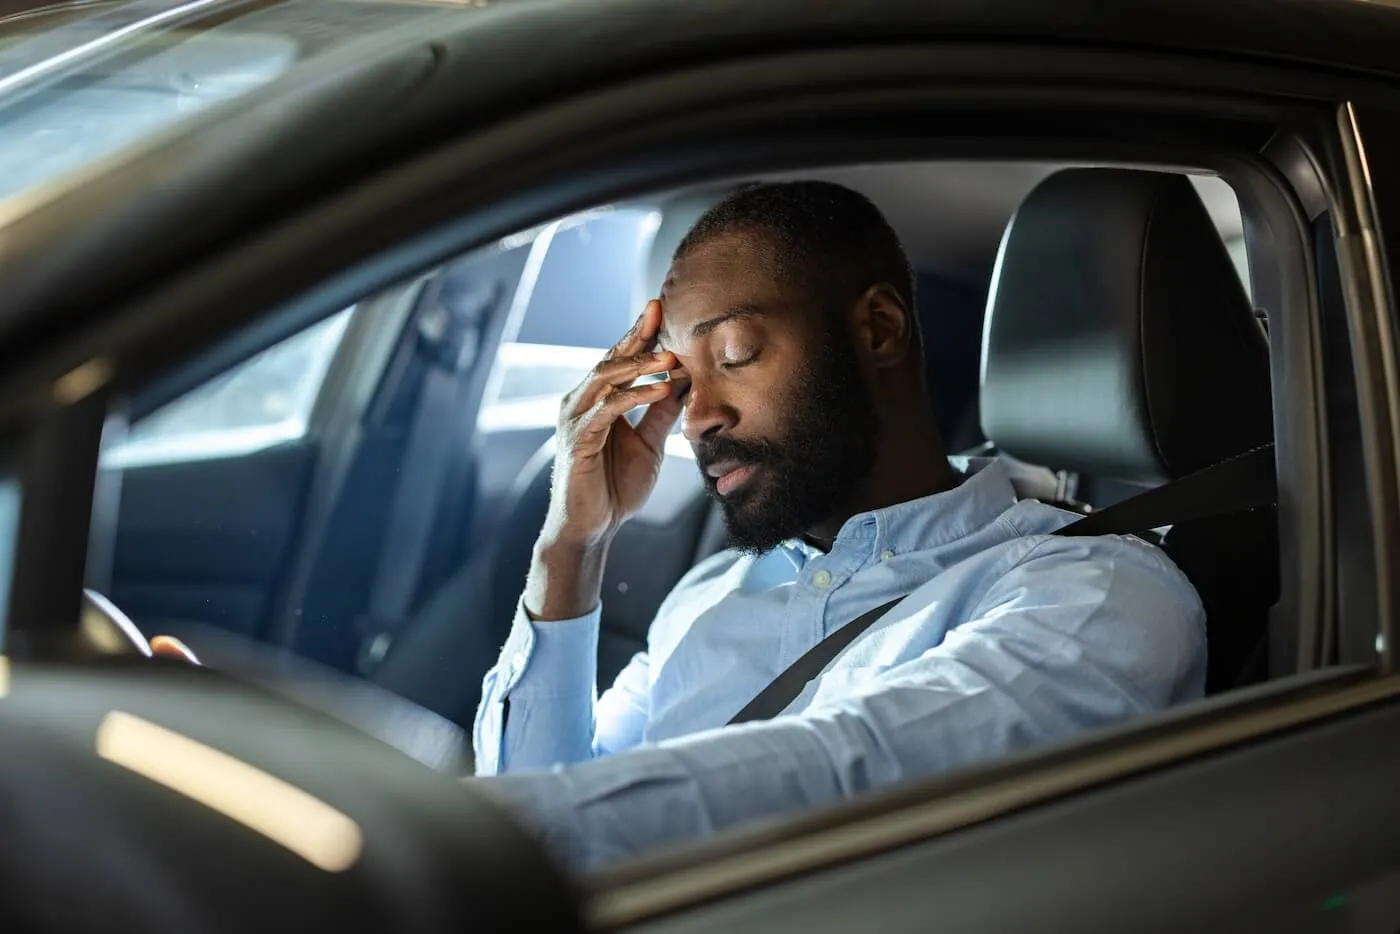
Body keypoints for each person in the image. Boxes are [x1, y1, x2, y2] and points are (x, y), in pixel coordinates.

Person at [471, 182, 1205, 871]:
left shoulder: (1098, 592)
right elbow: (543, 822)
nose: (697, 421)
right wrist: (572, 544)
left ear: (879, 330)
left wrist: (449, 843)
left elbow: (858, 770)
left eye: (735, 356)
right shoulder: (708, 594)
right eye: (684, 385)